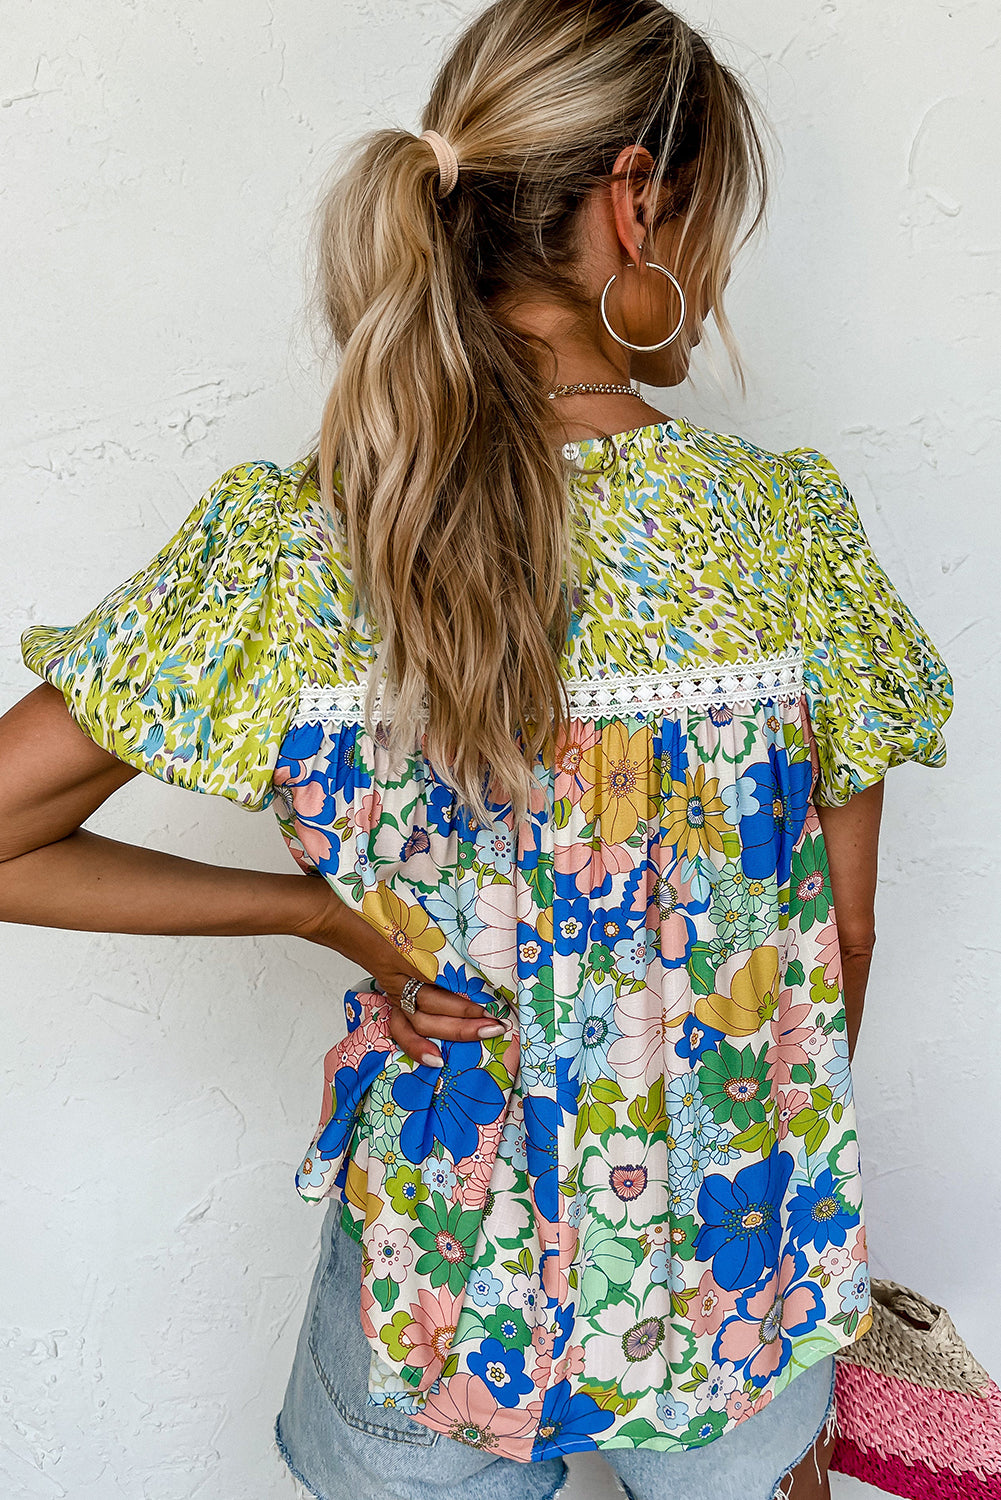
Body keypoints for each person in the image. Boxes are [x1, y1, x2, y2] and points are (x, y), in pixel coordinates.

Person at [1, 2, 954, 1498]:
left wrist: (319, 914)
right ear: (634, 200)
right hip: (733, 1269)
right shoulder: (779, 538)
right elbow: (840, 936)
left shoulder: (308, 544)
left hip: (432, 1267)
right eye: (706, 216)